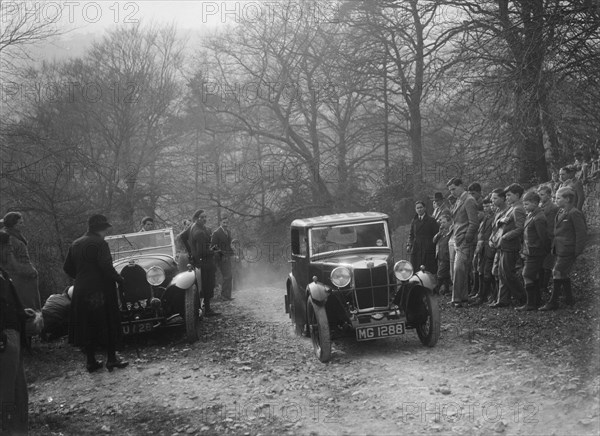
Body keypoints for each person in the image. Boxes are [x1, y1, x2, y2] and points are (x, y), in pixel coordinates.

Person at [63, 214, 129, 372]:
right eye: (106, 229)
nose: (106, 232)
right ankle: (112, 359)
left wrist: (82, 277)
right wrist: (120, 279)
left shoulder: (75, 243)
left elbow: (67, 268)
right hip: (101, 290)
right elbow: (106, 266)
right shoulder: (100, 243)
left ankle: (91, 361)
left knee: (87, 324)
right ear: (101, 229)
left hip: (80, 289)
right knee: (107, 321)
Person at [1, 232, 43, 434]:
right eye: (7, 248)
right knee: (6, 395)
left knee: (19, 393)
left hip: (13, 336)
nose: (10, 251)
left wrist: (21, 313)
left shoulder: (3, 272)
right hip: (4, 341)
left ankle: (19, 431)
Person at [539, 187, 587, 311]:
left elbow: (581, 233)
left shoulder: (574, 213)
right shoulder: (561, 211)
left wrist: (577, 251)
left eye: (558, 198)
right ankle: (569, 299)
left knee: (557, 272)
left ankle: (553, 302)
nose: (555, 200)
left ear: (567, 199)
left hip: (568, 250)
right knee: (562, 273)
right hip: (559, 248)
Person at [490, 184, 526, 308]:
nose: (507, 197)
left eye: (509, 195)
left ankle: (523, 297)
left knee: (508, 274)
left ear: (517, 195)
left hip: (511, 245)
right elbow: (503, 222)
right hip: (504, 245)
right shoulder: (512, 208)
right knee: (502, 273)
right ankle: (503, 299)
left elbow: (520, 228)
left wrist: (506, 236)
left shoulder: (518, 209)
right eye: (506, 195)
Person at [0, 212, 41, 319]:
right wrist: (30, 271)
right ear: (14, 224)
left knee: (26, 307)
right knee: (26, 308)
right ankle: (29, 331)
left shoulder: (11, 235)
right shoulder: (8, 238)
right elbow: (10, 261)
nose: (23, 225)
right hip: (21, 279)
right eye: (20, 223)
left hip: (21, 277)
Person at [446, 178, 479, 307]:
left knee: (459, 269)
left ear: (461, 186)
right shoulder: (460, 199)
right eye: (450, 190)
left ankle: (457, 298)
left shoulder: (469, 200)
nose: (452, 192)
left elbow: (474, 223)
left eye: (454, 189)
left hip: (464, 240)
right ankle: (462, 297)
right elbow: (457, 220)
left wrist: (467, 238)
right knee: (459, 270)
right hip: (457, 238)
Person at [516, 191, 550, 311]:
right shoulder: (531, 215)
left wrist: (541, 250)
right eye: (524, 204)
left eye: (526, 204)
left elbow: (543, 237)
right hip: (529, 251)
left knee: (527, 275)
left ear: (535, 203)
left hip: (535, 252)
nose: (524, 206)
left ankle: (530, 303)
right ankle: (536, 300)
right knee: (532, 276)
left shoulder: (539, 217)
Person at [189, 210, 220, 316]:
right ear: (197, 218)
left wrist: (212, 248)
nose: (204, 219)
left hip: (202, 262)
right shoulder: (198, 231)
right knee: (207, 285)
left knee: (207, 285)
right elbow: (202, 251)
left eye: (205, 217)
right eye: (202, 217)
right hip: (204, 263)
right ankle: (207, 309)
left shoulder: (199, 228)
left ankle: (206, 308)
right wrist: (215, 251)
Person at [469, 197, 495, 305]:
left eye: (488, 206)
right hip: (481, 248)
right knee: (480, 270)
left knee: (487, 272)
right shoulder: (484, 218)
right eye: (484, 206)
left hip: (490, 248)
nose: (486, 208)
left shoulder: (493, 217)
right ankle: (480, 293)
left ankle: (487, 295)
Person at [487, 188, 508, 307]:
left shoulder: (507, 211)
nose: (492, 201)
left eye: (495, 198)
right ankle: (496, 297)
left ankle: (502, 299)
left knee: (502, 273)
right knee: (495, 271)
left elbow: (502, 229)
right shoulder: (498, 211)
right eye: (492, 198)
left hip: (503, 244)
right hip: (496, 244)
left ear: (503, 198)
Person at [537, 185, 559, 298]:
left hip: (548, 239)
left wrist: (548, 240)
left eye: (542, 195)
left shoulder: (552, 207)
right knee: (541, 264)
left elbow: (550, 226)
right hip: (540, 239)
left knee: (547, 265)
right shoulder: (540, 205)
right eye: (539, 194)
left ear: (549, 195)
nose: (540, 197)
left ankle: (544, 287)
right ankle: (541, 286)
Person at [407, 201, 439, 274]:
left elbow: (436, 234)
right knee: (416, 267)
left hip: (428, 248)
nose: (419, 209)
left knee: (428, 269)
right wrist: (409, 244)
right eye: (417, 208)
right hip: (416, 248)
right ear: (415, 210)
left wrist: (432, 245)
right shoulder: (414, 221)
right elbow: (411, 234)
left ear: (424, 208)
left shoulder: (431, 220)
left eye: (421, 207)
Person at [211, 216, 235, 301]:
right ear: (220, 222)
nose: (225, 224)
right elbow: (213, 247)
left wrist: (233, 254)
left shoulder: (228, 232)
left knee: (229, 276)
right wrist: (221, 253)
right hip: (220, 258)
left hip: (227, 257)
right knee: (227, 276)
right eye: (224, 222)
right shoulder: (216, 233)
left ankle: (227, 295)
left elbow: (229, 246)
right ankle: (224, 295)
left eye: (227, 223)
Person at [433, 213, 452, 295]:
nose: (442, 224)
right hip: (440, 255)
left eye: (444, 222)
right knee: (445, 274)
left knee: (440, 273)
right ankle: (446, 289)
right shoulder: (441, 232)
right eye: (441, 222)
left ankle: (436, 289)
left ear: (449, 222)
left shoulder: (451, 232)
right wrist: (439, 233)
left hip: (447, 256)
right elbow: (434, 240)